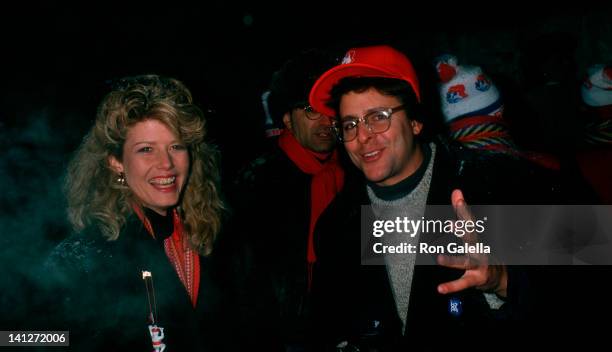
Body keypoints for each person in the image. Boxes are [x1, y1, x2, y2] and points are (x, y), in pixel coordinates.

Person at [307, 45, 536, 349]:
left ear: (415, 121)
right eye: (350, 124)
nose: (362, 137)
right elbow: (324, 327)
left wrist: (504, 280)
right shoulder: (337, 225)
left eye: (378, 117)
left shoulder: (499, 183)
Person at [42, 75, 248, 351]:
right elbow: (20, 338)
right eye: (146, 149)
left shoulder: (224, 239)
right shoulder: (83, 258)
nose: (166, 164)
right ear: (116, 162)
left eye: (176, 146)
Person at [229, 48, 343, 350]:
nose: (325, 121)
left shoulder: (353, 172)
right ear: (287, 120)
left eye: (331, 109)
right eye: (310, 109)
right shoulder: (258, 181)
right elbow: (241, 279)